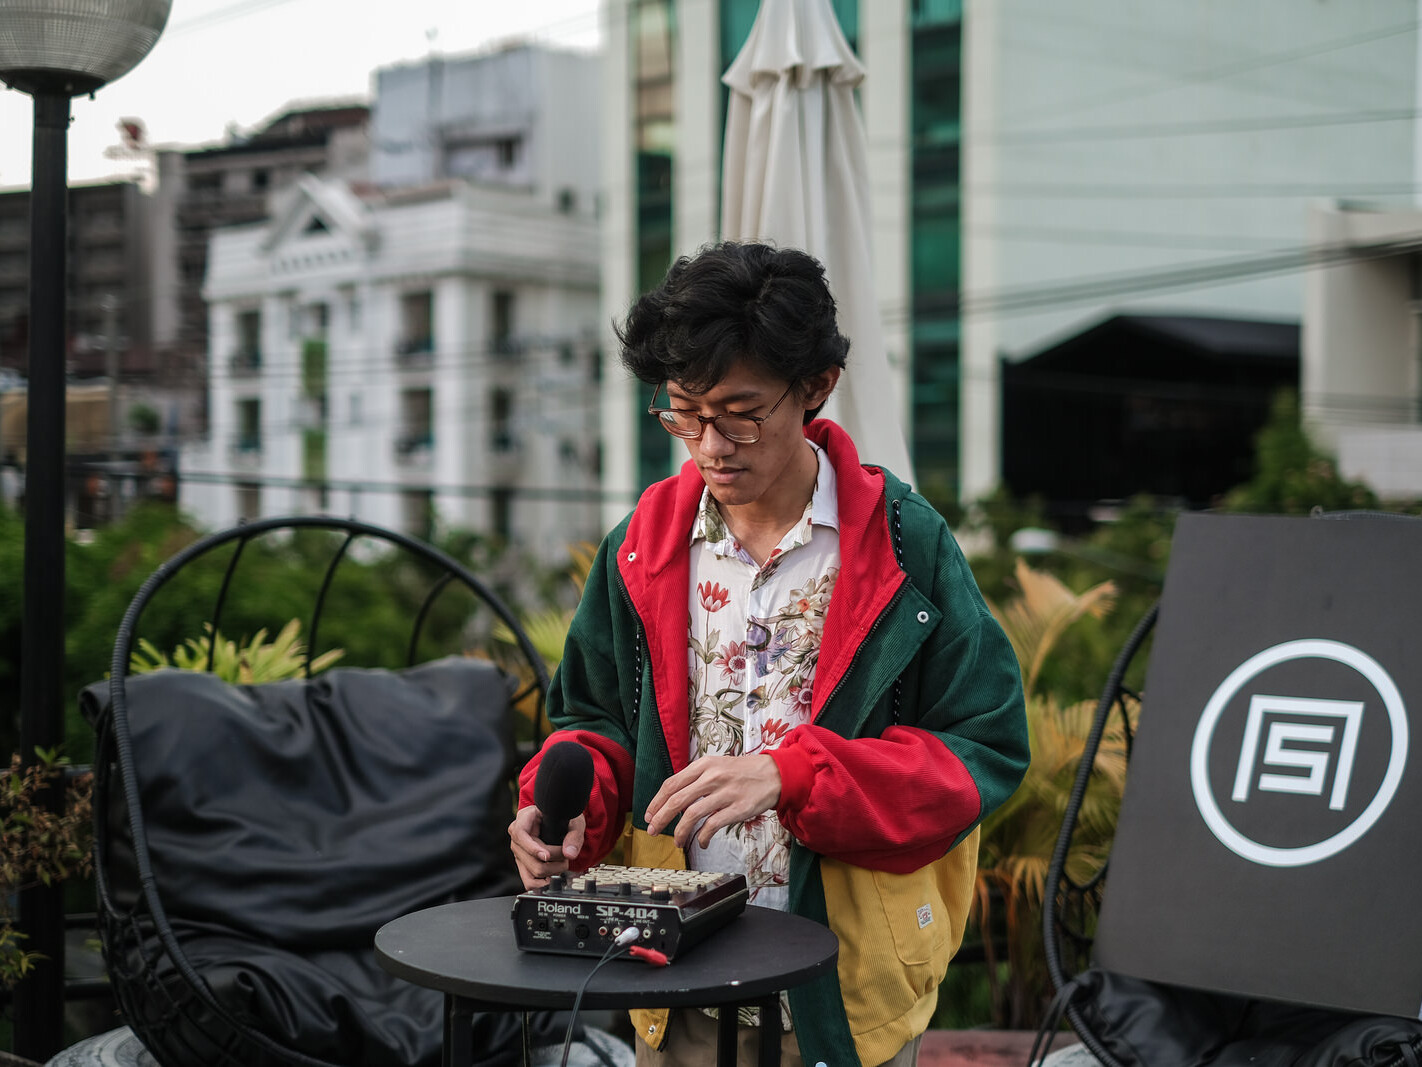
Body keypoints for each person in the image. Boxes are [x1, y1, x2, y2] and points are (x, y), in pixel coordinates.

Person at [509, 241, 1029, 1066]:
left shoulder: (904, 545)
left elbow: (983, 750)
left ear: (816, 385)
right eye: (685, 413)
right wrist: (572, 811)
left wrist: (795, 775)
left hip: (843, 982)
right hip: (672, 972)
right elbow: (595, 721)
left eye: (740, 413)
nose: (711, 444)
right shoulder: (640, 546)